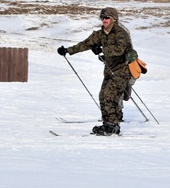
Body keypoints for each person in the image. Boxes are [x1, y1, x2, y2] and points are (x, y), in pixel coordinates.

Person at [57, 7, 136, 136]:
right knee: (103, 95)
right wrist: (68, 51)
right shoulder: (101, 33)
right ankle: (108, 124)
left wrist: (102, 50)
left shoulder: (121, 33)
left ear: (113, 19)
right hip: (109, 70)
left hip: (122, 70)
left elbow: (119, 50)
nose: (104, 20)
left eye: (107, 18)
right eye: (102, 18)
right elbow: (86, 43)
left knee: (110, 95)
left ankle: (113, 126)